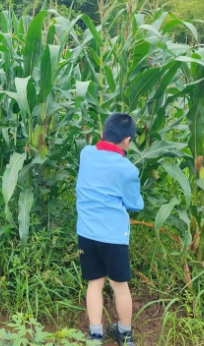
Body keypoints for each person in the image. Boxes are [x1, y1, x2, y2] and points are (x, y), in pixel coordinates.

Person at [76, 113, 144, 346]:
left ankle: (95, 334)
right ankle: (124, 333)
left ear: (103, 134)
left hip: (86, 232)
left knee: (94, 283)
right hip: (114, 236)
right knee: (119, 285)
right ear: (127, 140)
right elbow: (135, 204)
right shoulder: (127, 170)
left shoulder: (86, 154)